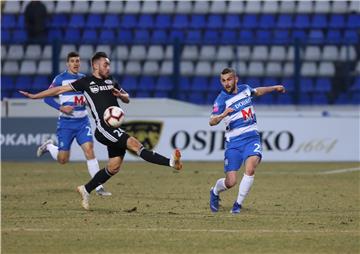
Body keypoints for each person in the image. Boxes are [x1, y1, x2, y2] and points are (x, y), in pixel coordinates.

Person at [20, 52, 183, 210]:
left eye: (109, 64)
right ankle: (170, 162)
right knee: (135, 144)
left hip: (115, 128)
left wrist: (122, 95)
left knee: (113, 167)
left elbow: (127, 97)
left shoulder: (111, 81)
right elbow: (58, 91)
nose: (108, 67)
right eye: (106, 64)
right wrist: (35, 96)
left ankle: (85, 189)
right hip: (103, 129)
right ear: (96, 65)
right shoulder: (85, 82)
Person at [208, 68, 285, 214]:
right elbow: (211, 122)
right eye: (223, 81)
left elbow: (258, 91)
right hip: (234, 143)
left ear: (236, 79)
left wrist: (274, 88)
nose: (226, 83)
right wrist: (222, 115)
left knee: (250, 168)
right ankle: (214, 192)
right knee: (231, 182)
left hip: (251, 137)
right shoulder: (221, 99)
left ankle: (237, 205)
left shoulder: (245, 89)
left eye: (229, 79)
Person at [36, 52, 111, 196]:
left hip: (83, 122)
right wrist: (61, 107)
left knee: (89, 150)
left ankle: (98, 187)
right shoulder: (60, 79)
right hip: (66, 123)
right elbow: (46, 98)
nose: (76, 63)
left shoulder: (84, 78)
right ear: (67, 64)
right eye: (72, 61)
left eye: (78, 61)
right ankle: (50, 146)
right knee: (63, 159)